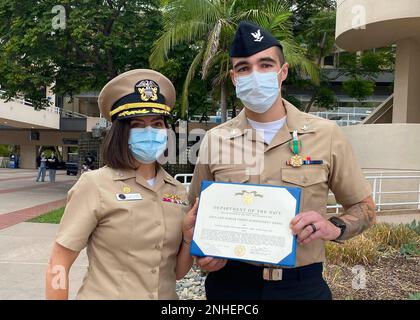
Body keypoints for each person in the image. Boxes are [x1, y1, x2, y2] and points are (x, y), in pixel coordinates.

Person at [188, 21, 376, 300]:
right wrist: (201, 254)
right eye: (243, 68)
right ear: (234, 78)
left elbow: (365, 209)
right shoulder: (216, 139)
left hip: (301, 285)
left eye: (265, 65)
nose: (254, 74)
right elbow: (194, 213)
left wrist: (332, 226)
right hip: (230, 284)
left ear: (282, 71)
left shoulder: (326, 135)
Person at [46, 69, 197, 300]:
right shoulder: (95, 185)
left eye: (157, 124)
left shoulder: (176, 190)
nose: (150, 132)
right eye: (138, 124)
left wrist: (187, 238)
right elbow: (59, 262)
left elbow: (176, 273)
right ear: (121, 133)